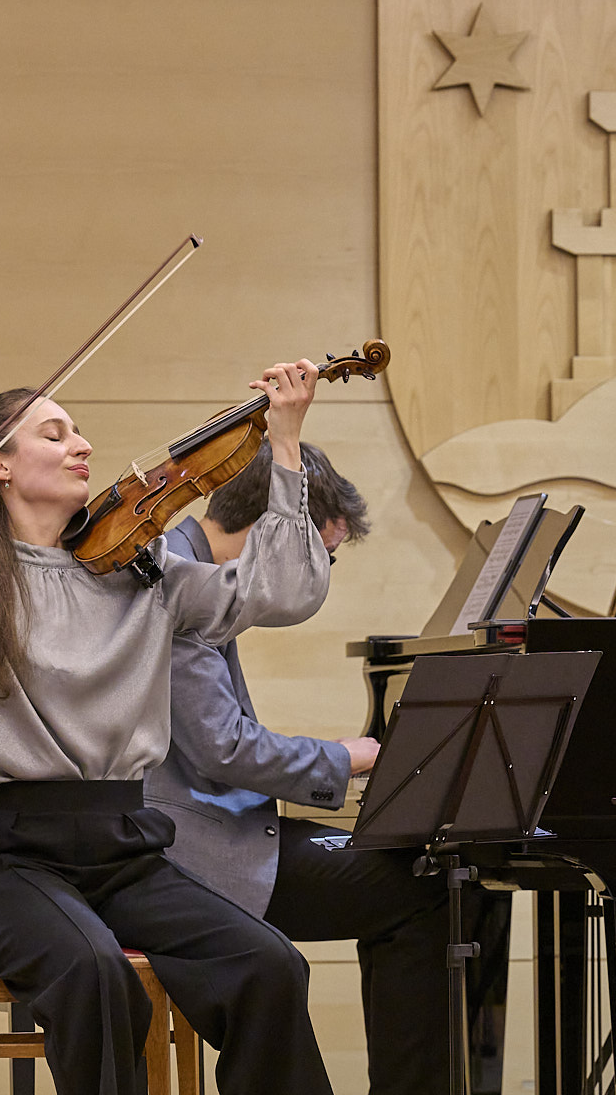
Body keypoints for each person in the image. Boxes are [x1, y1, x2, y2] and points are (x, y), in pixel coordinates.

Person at [0, 362, 337, 1095]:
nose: (82, 445)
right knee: (95, 973)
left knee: (270, 964)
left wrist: (284, 443)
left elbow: (283, 592)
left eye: (79, 431)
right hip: (11, 861)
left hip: (129, 854)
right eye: (55, 434)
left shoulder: (143, 570)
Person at [146, 439, 450, 1094]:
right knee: (425, 887)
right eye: (321, 558)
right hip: (185, 851)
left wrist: (331, 761)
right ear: (275, 529)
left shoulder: (187, 564)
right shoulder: (179, 579)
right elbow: (223, 748)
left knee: (416, 872)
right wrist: (343, 759)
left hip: (200, 826)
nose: (315, 582)